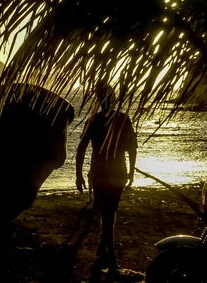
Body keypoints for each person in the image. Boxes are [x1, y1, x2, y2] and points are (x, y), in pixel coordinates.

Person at [76, 83, 137, 272]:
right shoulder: (120, 119)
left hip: (108, 172)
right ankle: (109, 253)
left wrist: (79, 174)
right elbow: (132, 149)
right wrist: (131, 171)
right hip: (109, 172)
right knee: (109, 212)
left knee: (108, 212)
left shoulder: (98, 120)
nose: (105, 102)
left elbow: (82, 148)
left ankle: (105, 249)